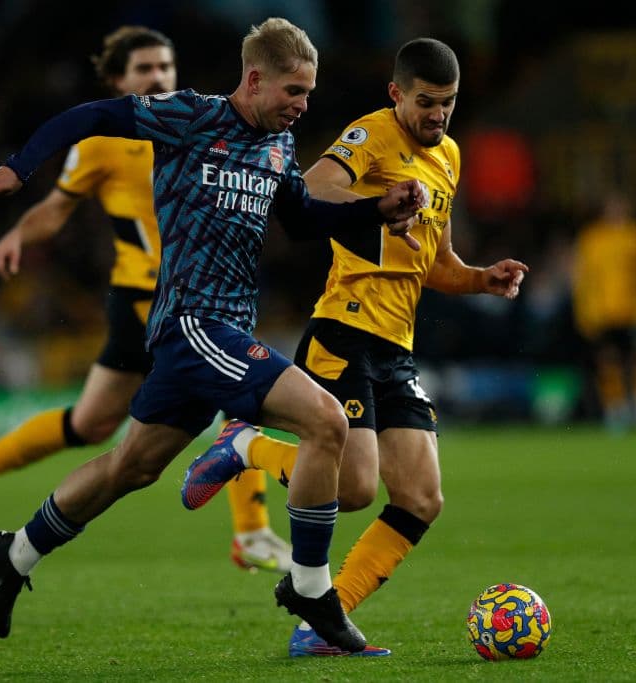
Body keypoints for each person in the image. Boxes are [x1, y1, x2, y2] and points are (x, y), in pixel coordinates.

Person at [0, 18, 428, 652]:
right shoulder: (190, 116)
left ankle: (15, 553)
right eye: (293, 91)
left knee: (130, 467)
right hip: (193, 323)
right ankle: (312, 589)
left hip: (225, 330)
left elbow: (301, 219)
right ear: (255, 79)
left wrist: (376, 210)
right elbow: (92, 115)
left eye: (308, 93)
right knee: (326, 421)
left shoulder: (278, 145)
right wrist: (19, 169)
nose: (302, 105)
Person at [180, 38, 529, 656]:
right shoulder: (371, 136)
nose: (438, 115)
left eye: (448, 103)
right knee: (354, 489)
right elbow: (308, 190)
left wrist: (481, 279)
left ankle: (320, 625)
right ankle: (245, 446)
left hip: (396, 346)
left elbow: (435, 263)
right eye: (426, 102)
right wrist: (377, 205)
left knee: (421, 498)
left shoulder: (448, 156)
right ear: (397, 94)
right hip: (344, 331)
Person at [0, 27, 291, 572]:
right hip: (145, 297)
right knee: (118, 419)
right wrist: (17, 235)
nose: (158, 77)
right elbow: (57, 207)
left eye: (165, 67)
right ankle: (251, 531)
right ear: (119, 82)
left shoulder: (200, 124)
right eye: (144, 69)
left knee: (114, 421)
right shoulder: (105, 144)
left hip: (199, 297)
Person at [572, 192, 636, 433]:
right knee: (608, 362)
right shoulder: (592, 239)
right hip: (603, 312)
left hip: (635, 310)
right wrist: (584, 312)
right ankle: (616, 409)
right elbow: (583, 278)